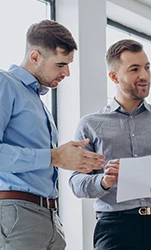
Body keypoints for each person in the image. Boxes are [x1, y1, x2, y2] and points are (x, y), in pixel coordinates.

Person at [69, 39, 151, 250]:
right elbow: (76, 183)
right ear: (114, 76)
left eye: (147, 67)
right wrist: (103, 181)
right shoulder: (90, 125)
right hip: (113, 228)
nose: (144, 76)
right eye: (134, 69)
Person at [0, 19, 105, 250]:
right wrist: (54, 157)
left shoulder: (37, 100)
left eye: (68, 64)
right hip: (16, 214)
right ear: (35, 57)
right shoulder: (4, 83)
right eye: (60, 64)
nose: (67, 72)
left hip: (49, 217)